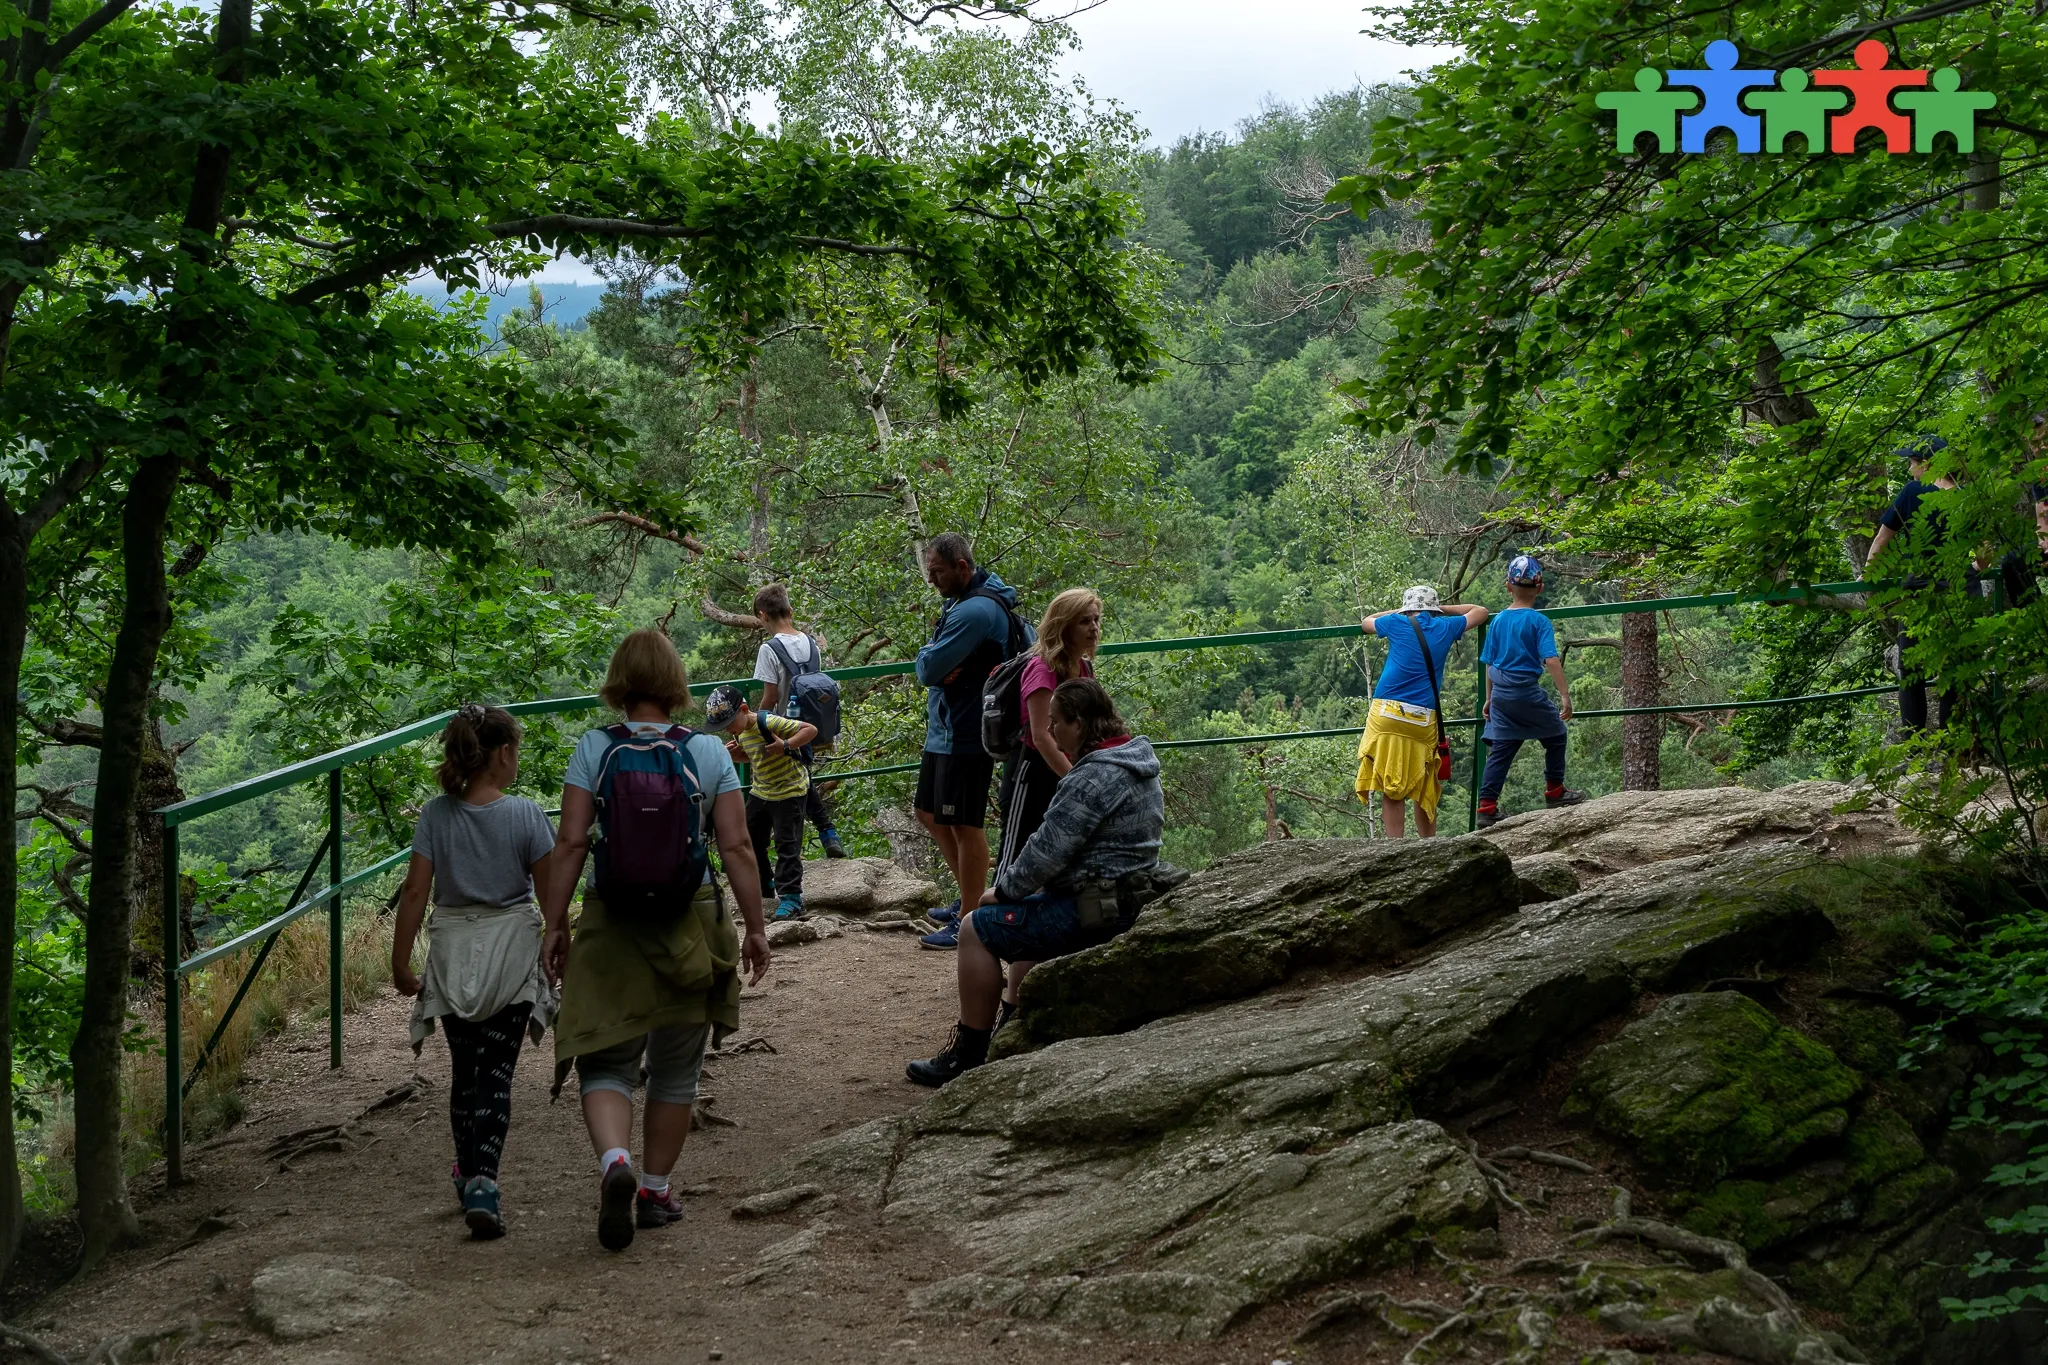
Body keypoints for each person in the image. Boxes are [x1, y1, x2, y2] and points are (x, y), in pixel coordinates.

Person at [539, 628, 770, 1252]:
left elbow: (570, 843)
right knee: (675, 1066)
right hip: (689, 920)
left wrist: (555, 924)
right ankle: (655, 1189)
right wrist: (754, 927)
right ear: (674, 682)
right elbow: (737, 845)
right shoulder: (708, 752)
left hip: (612, 919)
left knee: (607, 1060)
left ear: (619, 682)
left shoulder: (595, 748)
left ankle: (615, 1160)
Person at [907, 678, 1162, 1087]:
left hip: (1093, 911)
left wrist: (1001, 892)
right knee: (1028, 919)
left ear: (1078, 724)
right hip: (1125, 898)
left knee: (975, 927)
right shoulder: (1137, 761)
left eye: (1057, 722)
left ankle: (967, 1053)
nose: (1050, 730)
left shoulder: (1092, 778)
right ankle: (1013, 1029)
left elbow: (1046, 850)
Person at [390, 704, 558, 1240]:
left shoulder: (437, 815)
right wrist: (560, 945)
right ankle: (483, 1179)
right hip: (511, 951)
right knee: (497, 1076)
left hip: (454, 953)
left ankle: (467, 1173)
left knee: (466, 1071)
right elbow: (552, 893)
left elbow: (416, 891)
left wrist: (400, 961)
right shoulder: (527, 815)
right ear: (504, 754)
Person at [926, 587, 1102, 1015]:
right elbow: (1041, 734)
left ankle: (1026, 962)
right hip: (1033, 773)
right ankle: (986, 949)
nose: (1094, 628)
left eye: (1096, 620)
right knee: (1015, 864)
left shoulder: (1084, 667)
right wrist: (1078, 778)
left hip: (1066, 770)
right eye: (1085, 621)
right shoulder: (1042, 668)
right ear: (1064, 625)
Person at [913, 533, 1029, 951]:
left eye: (938, 572)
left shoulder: (976, 611)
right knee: (928, 812)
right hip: (945, 727)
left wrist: (935, 659)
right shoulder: (963, 603)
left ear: (963, 567)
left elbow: (927, 668)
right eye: (930, 571)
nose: (933, 580)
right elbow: (937, 664)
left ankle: (969, 918)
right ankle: (968, 893)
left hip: (967, 731)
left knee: (964, 824)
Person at [1355, 585, 1490, 839]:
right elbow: (1480, 611)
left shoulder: (1395, 623)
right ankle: (1429, 845)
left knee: (1390, 785)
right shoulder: (1445, 627)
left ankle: (1395, 848)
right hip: (1422, 717)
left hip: (1386, 713)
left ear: (1407, 609)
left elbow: (1366, 622)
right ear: (1434, 610)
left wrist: (1402, 610)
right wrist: (1439, 609)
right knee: (1424, 784)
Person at [1475, 556, 1584, 828]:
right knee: (1557, 733)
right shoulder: (1539, 621)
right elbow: (1550, 659)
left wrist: (1489, 698)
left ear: (1507, 587)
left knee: (1502, 748)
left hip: (1500, 693)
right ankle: (1555, 791)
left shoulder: (1498, 621)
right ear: (1540, 588)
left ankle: (1486, 808)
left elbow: (1490, 662)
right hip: (1526, 692)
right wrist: (1565, 696)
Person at [704, 682, 817, 921]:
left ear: (744, 709)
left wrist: (785, 745)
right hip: (761, 792)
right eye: (722, 727)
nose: (728, 730)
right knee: (750, 840)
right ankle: (764, 883)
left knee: (787, 845)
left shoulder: (771, 723)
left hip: (789, 792)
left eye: (729, 723)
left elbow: (810, 730)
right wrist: (738, 756)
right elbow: (755, 756)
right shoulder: (740, 732)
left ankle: (791, 897)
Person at [750, 582, 846, 860]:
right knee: (802, 777)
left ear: (762, 615)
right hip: (813, 726)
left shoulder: (769, 649)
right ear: (790, 610)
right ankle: (828, 835)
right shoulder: (810, 642)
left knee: (787, 784)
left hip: (784, 729)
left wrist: (756, 724)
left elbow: (769, 697)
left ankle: (812, 839)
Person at [1866, 436, 1956, 731]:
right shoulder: (1963, 495)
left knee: (1911, 666)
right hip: (1957, 586)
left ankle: (1914, 740)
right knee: (1954, 666)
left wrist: (1869, 575)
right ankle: (1952, 739)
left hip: (1920, 586)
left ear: (1927, 464)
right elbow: (1983, 553)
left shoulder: (1913, 491)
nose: (1910, 469)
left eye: (1912, 462)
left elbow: (1883, 538)